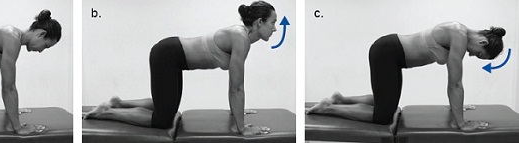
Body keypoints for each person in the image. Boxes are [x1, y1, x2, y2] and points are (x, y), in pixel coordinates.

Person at [84, 1, 277, 135]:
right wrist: (242, 128)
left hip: (173, 57)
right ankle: (106, 112)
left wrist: (237, 113)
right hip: (168, 55)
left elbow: (235, 86)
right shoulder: (241, 38)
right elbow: (236, 88)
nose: (275, 28)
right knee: (163, 120)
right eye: (273, 22)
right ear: (260, 22)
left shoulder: (241, 38)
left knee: (167, 108)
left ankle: (118, 103)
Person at [306, 21, 505, 131]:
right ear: (483, 43)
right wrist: (462, 123)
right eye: (477, 54)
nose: (471, 55)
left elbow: (455, 84)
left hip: (392, 55)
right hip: (388, 52)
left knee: (387, 102)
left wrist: (458, 108)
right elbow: (455, 84)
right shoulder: (458, 35)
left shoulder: (459, 33)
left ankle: (341, 99)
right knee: (384, 116)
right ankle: (328, 108)